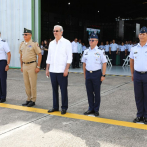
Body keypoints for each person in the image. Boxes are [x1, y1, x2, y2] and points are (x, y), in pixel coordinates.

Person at [46, 25, 72, 115]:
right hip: (53, 70)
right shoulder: (51, 43)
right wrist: (47, 69)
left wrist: (66, 69)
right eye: (54, 31)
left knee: (63, 90)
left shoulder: (67, 43)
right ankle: (55, 106)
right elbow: (49, 57)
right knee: (54, 90)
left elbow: (69, 58)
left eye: (57, 31)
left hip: (62, 71)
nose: (55, 33)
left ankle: (64, 107)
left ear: (61, 32)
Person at [82, 34, 107, 116]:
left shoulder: (100, 51)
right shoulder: (86, 51)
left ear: (97, 41)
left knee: (96, 92)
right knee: (89, 92)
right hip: (88, 73)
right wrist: (85, 74)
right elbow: (84, 63)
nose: (90, 41)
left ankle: (96, 109)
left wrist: (103, 75)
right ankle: (90, 108)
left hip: (97, 74)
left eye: (92, 40)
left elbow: (104, 63)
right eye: (90, 40)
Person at [19, 28, 42, 107]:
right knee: (26, 84)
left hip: (32, 65)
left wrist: (38, 66)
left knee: (32, 84)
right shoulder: (22, 44)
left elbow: (39, 54)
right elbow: (21, 55)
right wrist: (21, 66)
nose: (24, 36)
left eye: (26, 34)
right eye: (24, 35)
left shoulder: (34, 44)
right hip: (25, 65)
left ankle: (33, 100)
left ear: (30, 35)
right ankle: (28, 99)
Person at [130, 26, 147, 124]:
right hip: (137, 75)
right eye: (140, 34)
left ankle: (146, 116)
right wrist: (132, 73)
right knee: (138, 96)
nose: (141, 36)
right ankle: (139, 115)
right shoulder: (134, 48)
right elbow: (131, 61)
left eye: (144, 34)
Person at [0, 31, 11, 103]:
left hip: (2, 62)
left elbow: (9, 54)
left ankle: (3, 96)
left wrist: (7, 64)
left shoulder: (3, 43)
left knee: (2, 80)